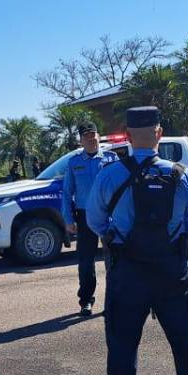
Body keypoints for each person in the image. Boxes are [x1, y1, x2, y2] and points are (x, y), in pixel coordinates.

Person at [85, 106, 188, 375]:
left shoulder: (109, 174)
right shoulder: (181, 175)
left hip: (126, 275)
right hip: (172, 272)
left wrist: (115, 236)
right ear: (159, 134)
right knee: (186, 341)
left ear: (128, 136)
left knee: (122, 346)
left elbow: (95, 221)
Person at [62, 123, 116, 316]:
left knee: (113, 260)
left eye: (94, 136)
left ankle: (113, 301)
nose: (91, 139)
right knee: (86, 262)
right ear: (81, 140)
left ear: (98, 137)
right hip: (84, 216)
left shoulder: (111, 158)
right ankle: (86, 301)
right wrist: (68, 219)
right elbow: (67, 193)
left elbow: (120, 188)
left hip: (108, 215)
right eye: (87, 137)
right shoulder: (74, 162)